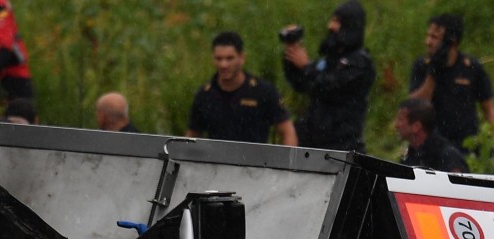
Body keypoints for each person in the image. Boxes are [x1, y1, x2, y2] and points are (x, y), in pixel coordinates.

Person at [281, 1, 375, 152]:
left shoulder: (360, 63)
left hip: (340, 144)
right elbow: (301, 84)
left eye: (337, 21)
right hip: (314, 142)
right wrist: (291, 56)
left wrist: (306, 67)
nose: (330, 26)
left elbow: (329, 87)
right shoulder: (329, 61)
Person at [407, 13, 494, 151]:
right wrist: (433, 75)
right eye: (428, 36)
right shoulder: (422, 66)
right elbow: (414, 108)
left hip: (465, 147)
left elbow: (488, 107)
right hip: (431, 146)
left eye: (434, 38)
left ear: (451, 41)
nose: (427, 42)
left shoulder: (471, 68)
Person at [186, 32, 297, 145]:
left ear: (242, 58)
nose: (223, 65)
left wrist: (287, 161)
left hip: (255, 160)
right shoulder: (205, 95)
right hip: (217, 159)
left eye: (230, 58)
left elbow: (287, 131)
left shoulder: (262, 91)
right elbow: (192, 137)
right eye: (218, 59)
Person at [394, 98, 469, 173]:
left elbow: (457, 183)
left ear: (416, 126)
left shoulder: (448, 156)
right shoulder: (410, 155)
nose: (396, 125)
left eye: (400, 119)